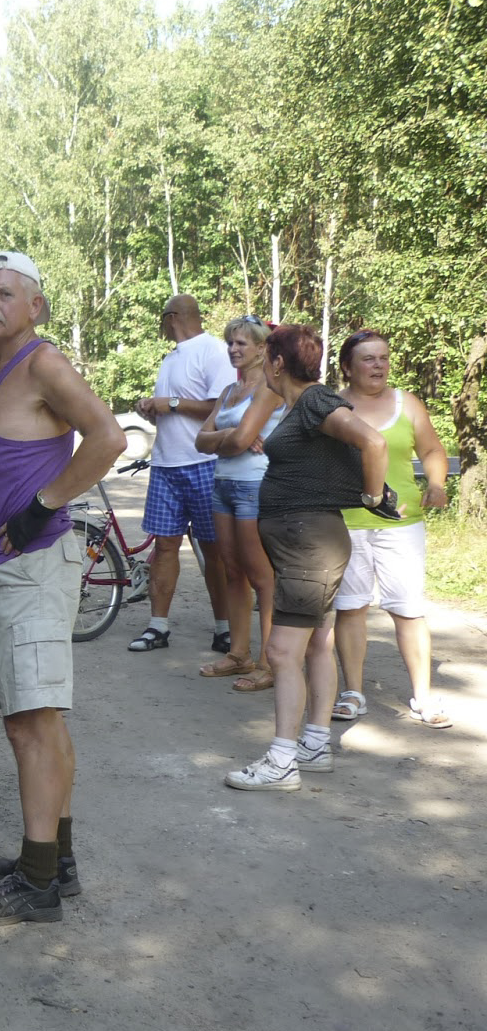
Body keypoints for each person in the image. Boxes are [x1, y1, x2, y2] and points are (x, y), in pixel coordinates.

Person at [0, 251, 125, 924]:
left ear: (36, 306)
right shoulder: (1, 370)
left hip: (31, 565)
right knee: (36, 718)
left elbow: (107, 436)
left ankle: (37, 881)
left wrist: (39, 506)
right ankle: (57, 857)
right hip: (5, 570)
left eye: (4, 294)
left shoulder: (43, 363)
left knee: (30, 722)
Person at [223, 324, 399, 791]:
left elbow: (374, 442)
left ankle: (282, 761)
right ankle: (315, 744)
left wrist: (372, 494)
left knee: (281, 651)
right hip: (306, 540)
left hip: (310, 542)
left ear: (277, 363)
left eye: (266, 357)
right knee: (317, 642)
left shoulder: (316, 400)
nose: (260, 363)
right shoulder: (298, 406)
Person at [330, 330, 453, 728]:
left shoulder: (408, 403)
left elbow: (432, 450)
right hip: (346, 522)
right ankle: (353, 692)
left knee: (409, 610)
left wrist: (436, 484)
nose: (378, 365)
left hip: (402, 524)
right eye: (368, 359)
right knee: (350, 608)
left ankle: (423, 696)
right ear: (347, 366)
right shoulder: (331, 405)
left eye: (383, 357)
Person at [128, 295, 234, 654]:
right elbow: (176, 409)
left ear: (172, 317)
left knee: (214, 550)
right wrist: (153, 410)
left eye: (162, 320)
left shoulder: (214, 351)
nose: (161, 327)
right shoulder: (171, 358)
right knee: (164, 546)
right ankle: (158, 627)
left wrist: (170, 403)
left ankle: (225, 629)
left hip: (204, 463)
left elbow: (222, 407)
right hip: (166, 464)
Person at [193, 316, 285, 690]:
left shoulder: (269, 389)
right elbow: (201, 440)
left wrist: (230, 438)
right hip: (222, 484)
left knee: (262, 576)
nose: (233, 349)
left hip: (253, 485)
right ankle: (239, 654)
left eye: (241, 343)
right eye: (231, 342)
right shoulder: (230, 391)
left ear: (263, 349)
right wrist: (233, 435)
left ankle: (269, 662)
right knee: (232, 570)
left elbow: (233, 441)